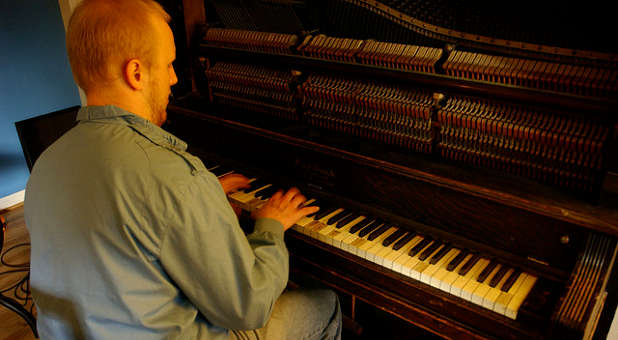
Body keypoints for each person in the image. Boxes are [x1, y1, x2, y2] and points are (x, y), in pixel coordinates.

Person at [24, 0, 342, 339]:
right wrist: (269, 227)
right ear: (136, 74)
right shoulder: (171, 176)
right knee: (325, 303)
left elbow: (128, 218)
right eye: (170, 64)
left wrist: (196, 203)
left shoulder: (47, 164)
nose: (175, 79)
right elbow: (247, 308)